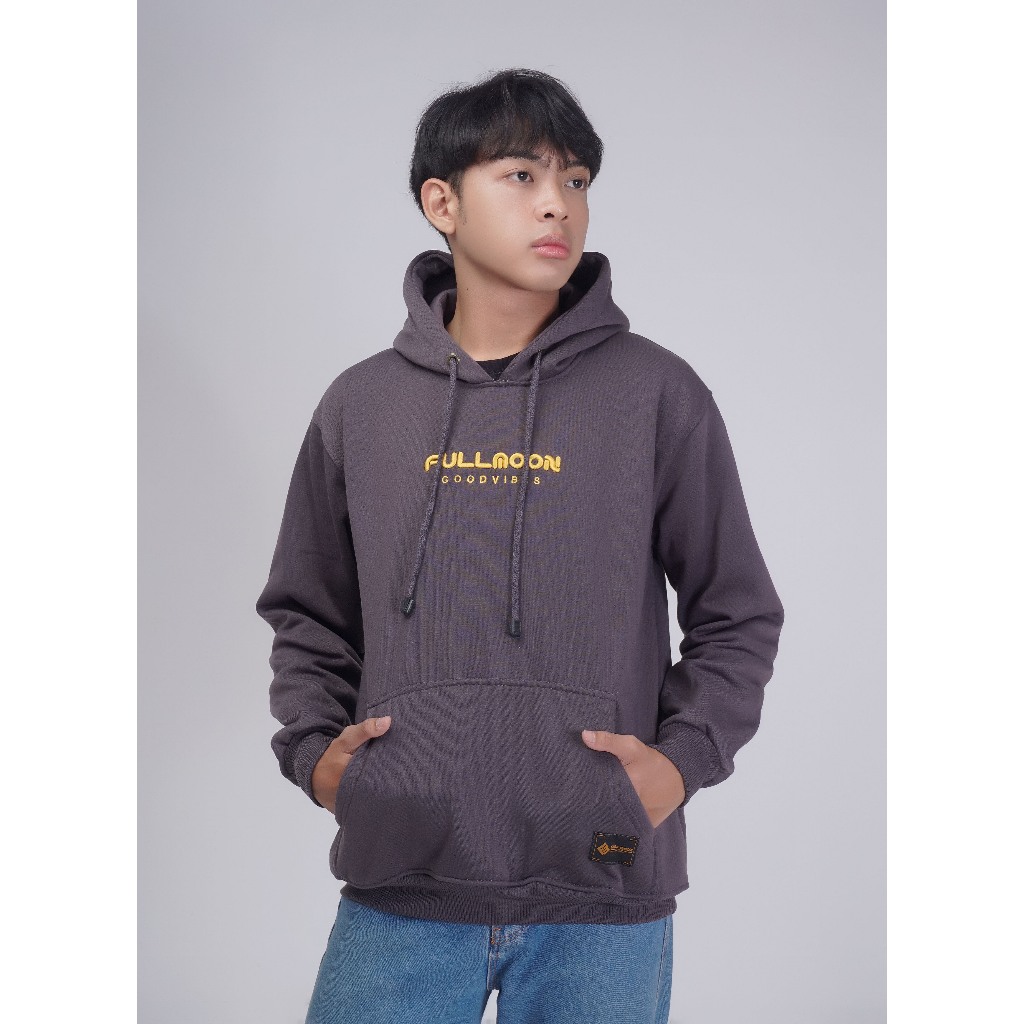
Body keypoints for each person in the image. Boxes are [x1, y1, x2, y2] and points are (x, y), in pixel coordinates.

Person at [255, 67, 785, 1024]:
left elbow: (737, 612)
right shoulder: (361, 405)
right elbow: (308, 612)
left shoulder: (657, 394)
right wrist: (316, 754)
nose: (558, 204)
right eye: (522, 175)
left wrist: (680, 762)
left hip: (603, 889)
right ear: (442, 203)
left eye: (576, 180)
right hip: (401, 884)